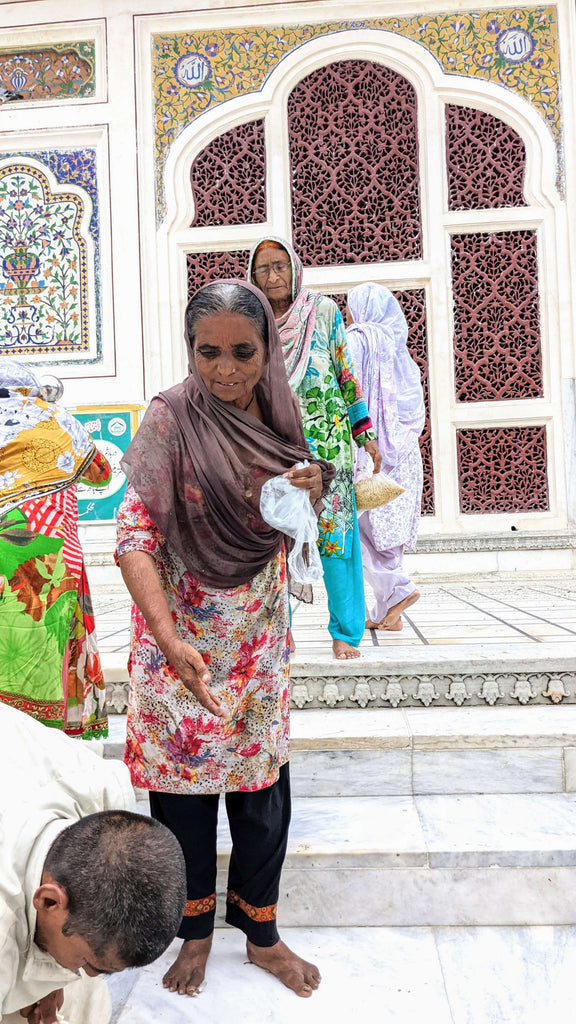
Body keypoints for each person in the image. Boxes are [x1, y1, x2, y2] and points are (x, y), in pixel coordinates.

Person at [116, 280, 333, 1000]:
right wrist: (170, 638)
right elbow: (134, 531)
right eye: (208, 352)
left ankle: (262, 934)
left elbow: (303, 513)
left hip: (256, 646)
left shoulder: (279, 414)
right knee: (182, 804)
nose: (226, 370)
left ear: (268, 350)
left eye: (243, 352)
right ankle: (196, 934)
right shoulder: (170, 419)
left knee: (262, 798)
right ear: (190, 350)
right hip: (180, 646)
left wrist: (316, 485)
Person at [0, 700, 186, 1024]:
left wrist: (49, 982)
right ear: (48, 899)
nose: (82, 973)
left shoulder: (94, 787)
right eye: (86, 963)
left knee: (82, 996)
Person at [247, 237, 382, 660]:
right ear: (252, 277)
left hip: (329, 449)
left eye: (279, 266)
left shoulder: (322, 313)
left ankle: (345, 631)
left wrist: (365, 433)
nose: (272, 276)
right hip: (276, 448)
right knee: (277, 543)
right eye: (263, 268)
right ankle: (276, 633)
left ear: (295, 268)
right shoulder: (252, 320)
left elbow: (345, 373)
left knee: (336, 541)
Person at [0, 359, 111, 737]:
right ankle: (44, 749)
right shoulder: (58, 421)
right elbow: (102, 475)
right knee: (44, 656)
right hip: (52, 565)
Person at [345, 282, 425, 630]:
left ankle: (398, 590)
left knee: (354, 528)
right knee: (385, 534)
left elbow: (348, 388)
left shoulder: (355, 339)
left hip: (372, 447)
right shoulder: (395, 344)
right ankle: (387, 613)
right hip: (405, 449)